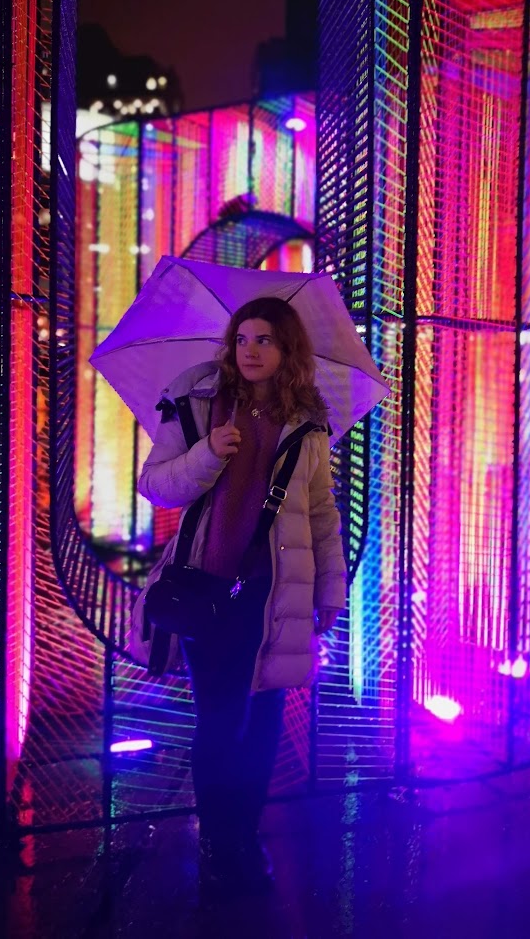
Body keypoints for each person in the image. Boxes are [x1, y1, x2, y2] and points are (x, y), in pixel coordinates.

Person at [137, 297, 347, 894]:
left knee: (264, 724)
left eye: (265, 341)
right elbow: (155, 484)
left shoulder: (306, 419)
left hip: (274, 596)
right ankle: (215, 837)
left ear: (288, 351)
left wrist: (330, 588)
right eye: (242, 339)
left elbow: (322, 512)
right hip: (208, 590)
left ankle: (243, 835)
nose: (250, 350)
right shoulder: (198, 399)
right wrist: (209, 453)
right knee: (220, 718)